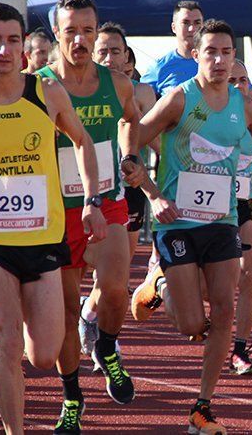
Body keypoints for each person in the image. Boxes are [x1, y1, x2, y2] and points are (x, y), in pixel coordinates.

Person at [0, 2, 106, 435]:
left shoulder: (45, 93)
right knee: (7, 342)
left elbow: (82, 141)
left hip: (44, 237)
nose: (4, 50)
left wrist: (91, 199)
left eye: (13, 40)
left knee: (43, 354)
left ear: (24, 48)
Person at [132, 19, 252, 434]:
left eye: (227, 52)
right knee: (192, 325)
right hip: (177, 224)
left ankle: (202, 407)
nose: (220, 60)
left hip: (223, 220)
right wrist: (153, 193)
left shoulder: (246, 104)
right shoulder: (179, 99)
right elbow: (132, 136)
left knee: (225, 307)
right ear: (196, 55)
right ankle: (162, 284)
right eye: (211, 52)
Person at [38, 0, 146, 433]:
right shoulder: (41, 85)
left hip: (107, 199)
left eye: (88, 30)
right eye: (71, 31)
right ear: (56, 34)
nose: (80, 40)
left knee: (117, 289)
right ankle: (72, 396)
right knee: (65, 310)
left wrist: (130, 156)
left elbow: (132, 119)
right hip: (57, 210)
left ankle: (107, 344)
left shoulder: (116, 83)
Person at [77, 22, 158, 359]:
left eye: (116, 52)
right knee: (82, 271)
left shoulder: (138, 93)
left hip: (120, 191)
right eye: (103, 51)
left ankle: (103, 334)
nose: (109, 58)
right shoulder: (69, 88)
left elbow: (147, 134)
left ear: (128, 57)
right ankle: (81, 317)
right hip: (73, 195)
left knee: (116, 278)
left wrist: (145, 174)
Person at [227, 59, 252, 375]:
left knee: (247, 274)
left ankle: (240, 348)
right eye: (232, 80)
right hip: (206, 204)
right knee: (210, 283)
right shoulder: (199, 105)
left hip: (242, 200)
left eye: (244, 80)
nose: (239, 86)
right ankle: (162, 279)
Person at [141, 0, 202, 97]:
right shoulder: (159, 67)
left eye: (197, 23)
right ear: (174, 27)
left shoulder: (216, 64)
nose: (192, 29)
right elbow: (141, 102)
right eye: (185, 23)